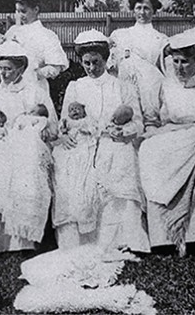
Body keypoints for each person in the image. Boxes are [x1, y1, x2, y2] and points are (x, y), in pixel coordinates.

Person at [53, 29, 149, 253]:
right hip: (83, 141)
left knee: (121, 161)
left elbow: (138, 123)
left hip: (112, 140)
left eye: (96, 62)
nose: (91, 68)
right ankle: (78, 241)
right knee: (68, 166)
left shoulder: (123, 86)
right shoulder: (76, 86)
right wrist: (65, 134)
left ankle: (120, 240)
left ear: (106, 60)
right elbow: (64, 121)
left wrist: (122, 132)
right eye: (86, 63)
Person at [139, 35, 195, 256]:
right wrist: (154, 135)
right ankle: (164, 238)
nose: (179, 67)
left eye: (185, 62)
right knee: (150, 155)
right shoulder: (163, 87)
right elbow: (151, 121)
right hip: (169, 139)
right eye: (175, 61)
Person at [0, 40, 57, 257]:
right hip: (0, 145)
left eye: (8, 69)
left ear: (21, 69)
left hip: (28, 145)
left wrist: (34, 130)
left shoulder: (36, 93)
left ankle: (22, 239)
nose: (4, 74)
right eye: (1, 69)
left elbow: (51, 127)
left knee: (25, 165)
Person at [108, 0, 167, 120]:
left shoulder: (161, 39)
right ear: (133, 9)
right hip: (126, 86)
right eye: (138, 8)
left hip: (150, 90)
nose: (142, 12)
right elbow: (112, 67)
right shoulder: (120, 35)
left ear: (154, 10)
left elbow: (162, 70)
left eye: (146, 8)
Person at [3, 0, 69, 93]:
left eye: (23, 11)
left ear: (36, 10)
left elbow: (56, 67)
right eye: (17, 11)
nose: (20, 15)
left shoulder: (47, 35)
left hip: (34, 88)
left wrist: (35, 74)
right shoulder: (12, 32)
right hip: (10, 87)